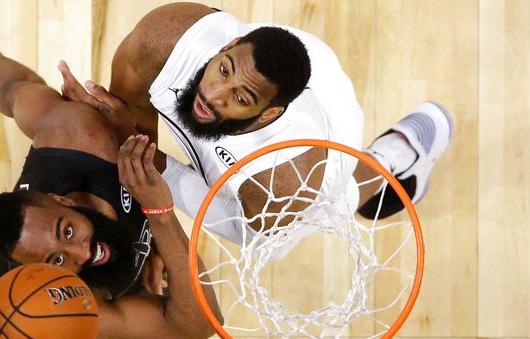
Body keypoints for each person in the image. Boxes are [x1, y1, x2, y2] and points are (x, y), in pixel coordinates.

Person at [0, 20, 221, 339]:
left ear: (62, 201)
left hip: (86, 245)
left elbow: (15, 90)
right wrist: (160, 217)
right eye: (57, 261)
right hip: (57, 300)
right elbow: (199, 323)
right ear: (40, 273)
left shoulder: (77, 132)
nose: (81, 253)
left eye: (67, 231)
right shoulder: (64, 298)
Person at [59, 2, 454, 244]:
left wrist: (154, 170)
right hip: (294, 70)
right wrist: (129, 139)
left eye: (240, 97)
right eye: (223, 69)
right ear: (227, 47)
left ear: (268, 114)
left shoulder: (284, 178)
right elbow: (131, 111)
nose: (214, 95)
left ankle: (386, 162)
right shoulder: (167, 38)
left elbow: (242, 232)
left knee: (314, 218)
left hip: (324, 144)